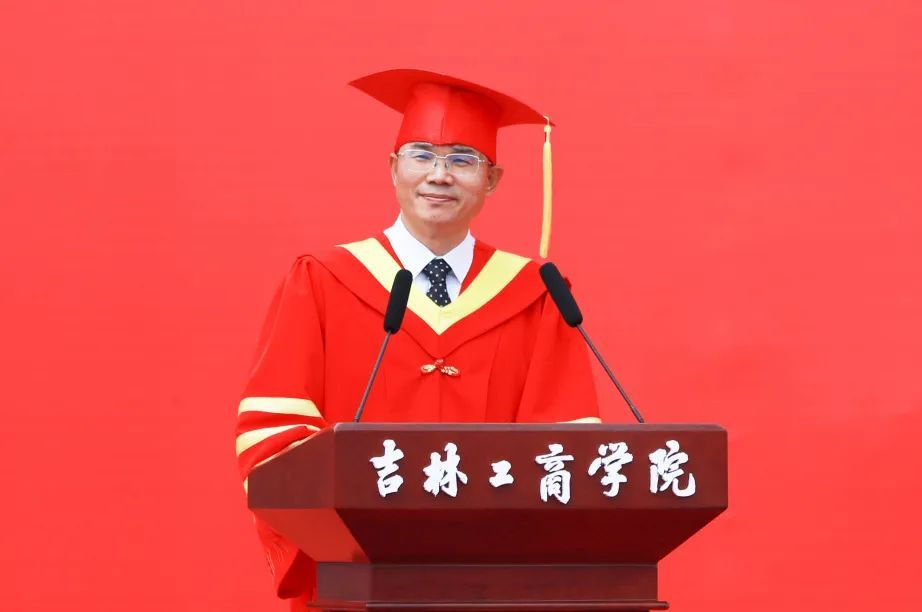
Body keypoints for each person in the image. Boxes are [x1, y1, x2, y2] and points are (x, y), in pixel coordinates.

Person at [234, 68, 601, 610]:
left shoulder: (536, 294)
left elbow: (565, 450)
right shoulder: (323, 280)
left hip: (493, 588)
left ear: (493, 180)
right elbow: (273, 439)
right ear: (393, 168)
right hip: (358, 582)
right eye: (422, 155)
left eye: (462, 160)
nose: (439, 175)